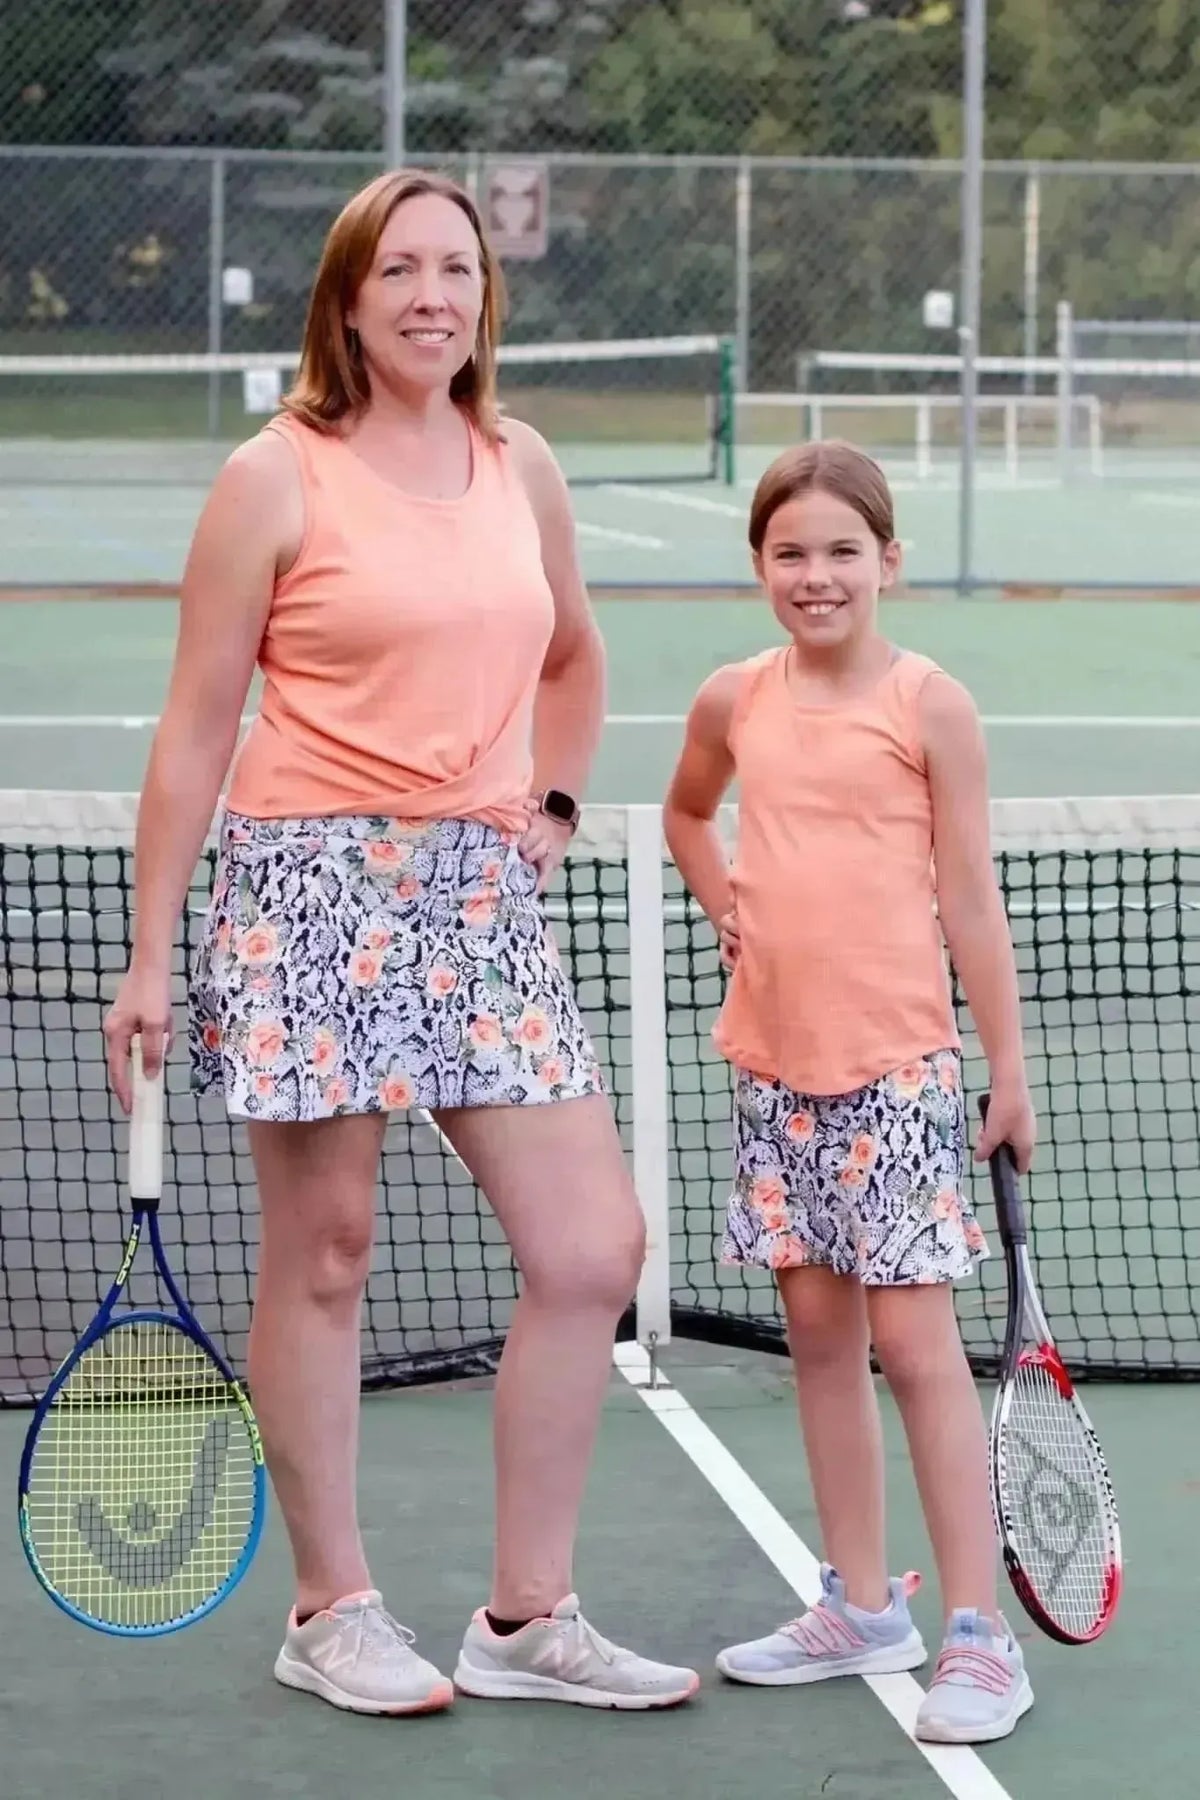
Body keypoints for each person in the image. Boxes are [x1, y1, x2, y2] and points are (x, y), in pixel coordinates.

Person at [103, 168, 699, 1718]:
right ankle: (331, 1607)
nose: (436, 293)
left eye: (460, 268)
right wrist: (153, 954)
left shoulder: (523, 463)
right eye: (403, 270)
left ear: (483, 297)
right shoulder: (274, 476)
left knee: (592, 1248)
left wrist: (553, 800)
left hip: (482, 901)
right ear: (349, 300)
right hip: (302, 889)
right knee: (327, 1253)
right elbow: (193, 730)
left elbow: (573, 649)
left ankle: (525, 1620)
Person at [662, 440, 1037, 1745]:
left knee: (919, 1353)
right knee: (820, 1345)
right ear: (759, 565)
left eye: (840, 550)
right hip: (774, 1071)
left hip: (898, 1074)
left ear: (888, 561)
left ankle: (982, 1640)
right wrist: (729, 911)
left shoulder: (932, 705)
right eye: (789, 552)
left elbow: (969, 898)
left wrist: (1007, 1064)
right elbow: (686, 817)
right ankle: (863, 1605)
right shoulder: (734, 698)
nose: (815, 576)